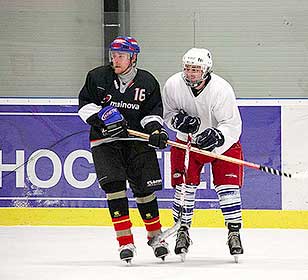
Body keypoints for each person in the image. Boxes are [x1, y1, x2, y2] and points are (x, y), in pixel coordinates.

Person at [78, 36, 170, 263]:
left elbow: (152, 112)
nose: (115, 59)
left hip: (137, 142)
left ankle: (156, 236)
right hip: (105, 142)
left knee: (144, 190)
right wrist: (104, 117)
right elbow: (85, 106)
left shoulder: (147, 81)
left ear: (133, 57)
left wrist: (156, 131)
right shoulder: (97, 77)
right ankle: (125, 242)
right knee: (115, 189)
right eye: (113, 55)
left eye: (121, 56)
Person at [162, 48, 244, 260]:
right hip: (186, 142)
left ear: (206, 70)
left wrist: (218, 136)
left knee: (228, 189)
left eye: (196, 69)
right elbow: (167, 113)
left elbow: (232, 124)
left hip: (223, 146)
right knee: (183, 188)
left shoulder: (221, 89)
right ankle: (182, 231)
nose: (191, 73)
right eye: (188, 68)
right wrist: (176, 121)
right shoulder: (173, 85)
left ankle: (234, 233)